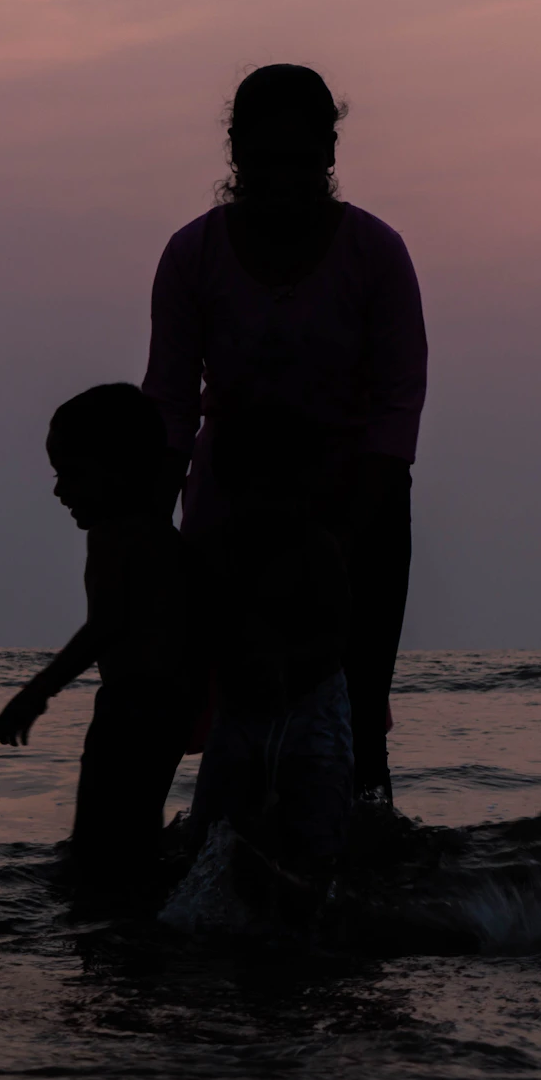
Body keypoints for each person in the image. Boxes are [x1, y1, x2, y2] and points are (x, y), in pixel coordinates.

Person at [142, 63, 426, 805]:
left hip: (359, 508)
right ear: (236, 154)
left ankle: (363, 848)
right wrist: (148, 536)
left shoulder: (376, 253)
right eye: (264, 159)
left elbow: (397, 410)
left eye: (300, 159)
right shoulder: (193, 255)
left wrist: (345, 535)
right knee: (207, 703)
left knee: (355, 713)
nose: (282, 179)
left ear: (329, 153)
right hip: (227, 515)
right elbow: (169, 404)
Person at [0, 384, 197, 902]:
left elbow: (104, 627)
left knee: (96, 852)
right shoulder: (160, 535)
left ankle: (106, 929)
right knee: (135, 839)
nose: (60, 490)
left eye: (72, 474)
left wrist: (36, 692)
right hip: (170, 710)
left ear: (121, 470)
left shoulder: (115, 534)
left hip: (130, 710)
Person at [185, 394, 354, 939]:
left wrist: (287, 665)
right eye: (256, 490)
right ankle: (233, 890)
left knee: (317, 825)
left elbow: (336, 638)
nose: (271, 506)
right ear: (230, 486)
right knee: (213, 828)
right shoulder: (218, 550)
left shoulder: (317, 549)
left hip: (312, 711)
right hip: (240, 712)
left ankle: (307, 896)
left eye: (285, 490)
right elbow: (200, 631)